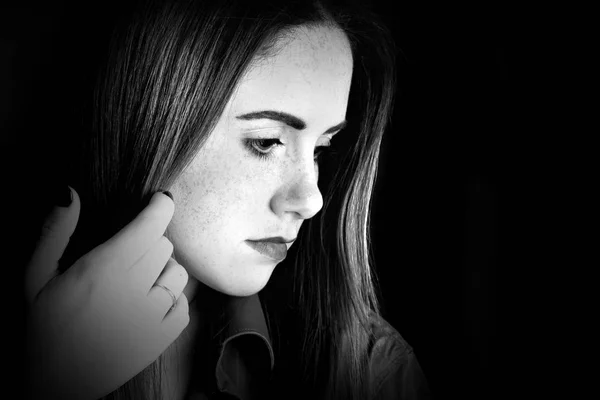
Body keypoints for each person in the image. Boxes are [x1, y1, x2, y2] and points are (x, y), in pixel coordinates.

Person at [23, 0, 432, 399]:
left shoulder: (369, 372)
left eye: (322, 148)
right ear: (149, 122)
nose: (311, 201)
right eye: (266, 142)